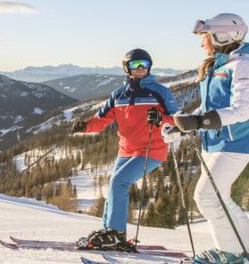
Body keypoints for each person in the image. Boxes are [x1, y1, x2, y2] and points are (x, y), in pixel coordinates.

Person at [171, 13, 249, 264]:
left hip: (235, 141)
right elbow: (210, 107)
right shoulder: (219, 64)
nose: (202, 43)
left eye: (205, 37)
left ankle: (230, 253)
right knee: (220, 197)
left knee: (206, 197)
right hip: (216, 142)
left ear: (222, 36)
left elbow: (242, 110)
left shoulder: (244, 65)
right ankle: (247, 250)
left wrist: (200, 122)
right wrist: (185, 124)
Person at [71, 49, 180, 250]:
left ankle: (116, 234)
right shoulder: (118, 95)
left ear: (150, 67)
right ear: (126, 68)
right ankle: (108, 231)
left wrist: (161, 119)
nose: (140, 69)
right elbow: (101, 120)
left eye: (144, 65)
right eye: (134, 65)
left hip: (152, 149)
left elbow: (177, 119)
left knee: (119, 182)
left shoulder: (160, 92)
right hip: (126, 150)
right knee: (114, 186)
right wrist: (85, 126)